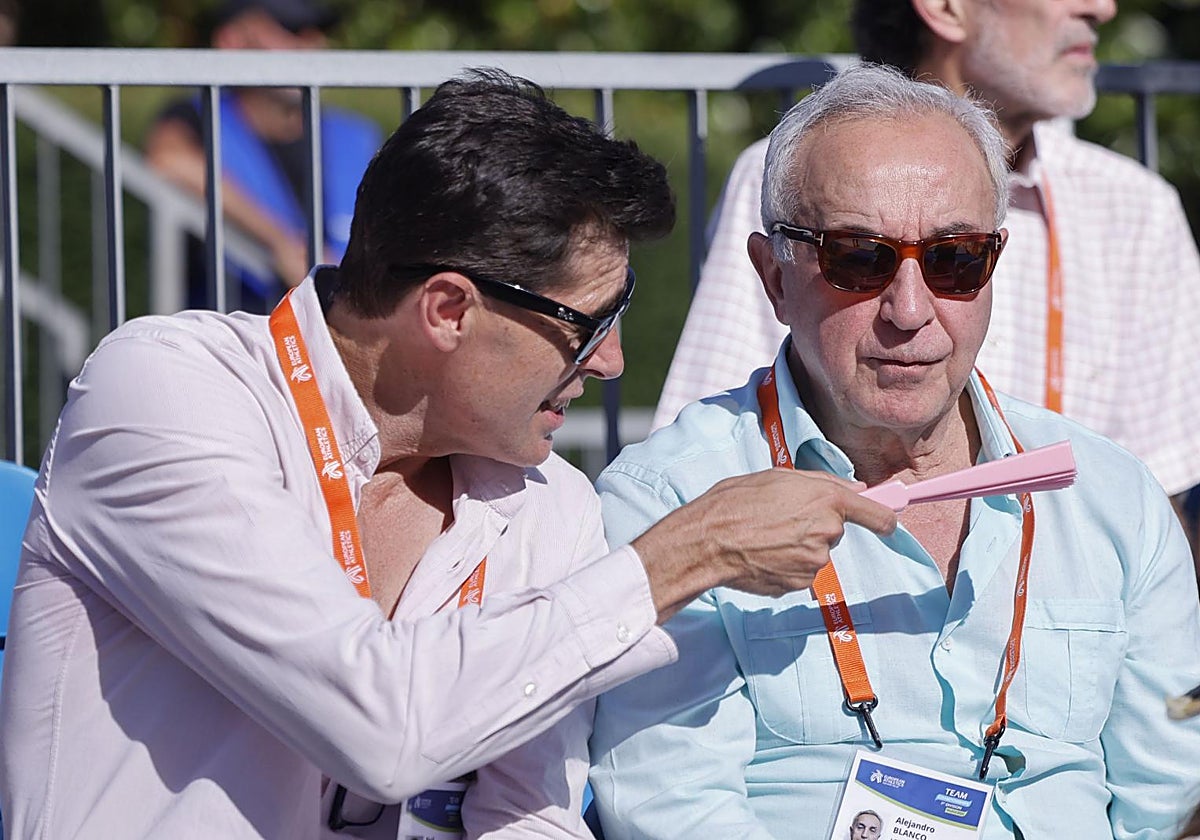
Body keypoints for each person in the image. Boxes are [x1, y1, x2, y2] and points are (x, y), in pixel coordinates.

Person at [0, 70, 896, 839]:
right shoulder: (168, 392)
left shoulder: (546, 499)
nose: (613, 361)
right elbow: (380, 727)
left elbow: (528, 811)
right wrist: (683, 556)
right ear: (449, 310)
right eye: (590, 323)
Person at [589, 64, 1200, 839]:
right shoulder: (670, 503)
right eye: (859, 257)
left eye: (954, 260)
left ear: (993, 268)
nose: (909, 311)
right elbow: (671, 810)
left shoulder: (1110, 499)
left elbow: (1166, 802)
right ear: (773, 276)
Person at [651, 0, 1200, 546]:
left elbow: (1159, 506)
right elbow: (708, 482)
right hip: (823, 602)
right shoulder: (797, 176)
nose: (1102, 8)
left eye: (958, 258)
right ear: (945, 8)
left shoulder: (1134, 206)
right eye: (861, 257)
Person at [145, 0, 382, 313]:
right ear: (231, 40)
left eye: (319, 32)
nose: (311, 45)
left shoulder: (355, 134)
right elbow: (168, 160)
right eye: (291, 29)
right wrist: (279, 242)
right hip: (238, 332)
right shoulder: (197, 118)